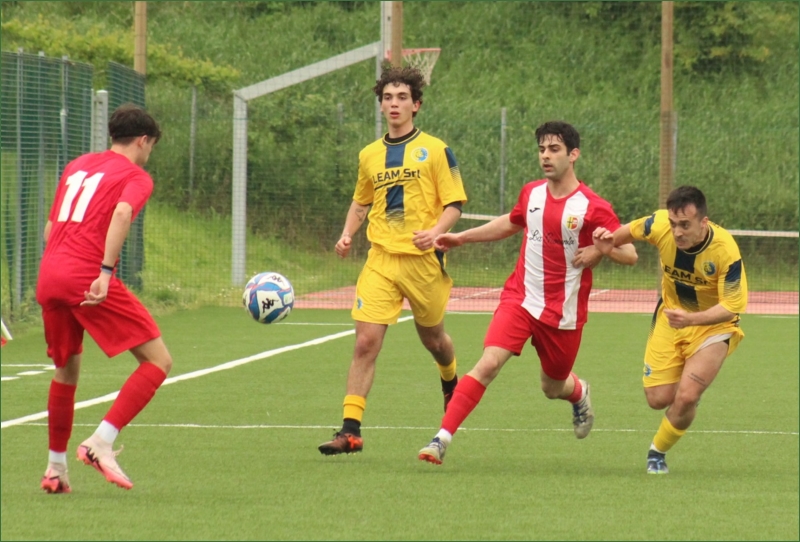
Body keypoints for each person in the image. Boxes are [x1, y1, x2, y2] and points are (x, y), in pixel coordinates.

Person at [417, 120, 638, 465]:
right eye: (541, 150)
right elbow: (511, 221)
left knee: (552, 387)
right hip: (519, 298)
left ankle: (579, 392)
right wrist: (462, 237)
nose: (545, 156)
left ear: (573, 155)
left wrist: (600, 249)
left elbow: (630, 254)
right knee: (488, 363)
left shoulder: (592, 206)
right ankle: (441, 439)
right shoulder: (532, 193)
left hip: (562, 314)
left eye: (554, 149)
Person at [318, 66, 468, 455]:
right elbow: (361, 202)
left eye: (402, 97)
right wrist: (347, 233)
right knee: (365, 342)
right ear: (381, 105)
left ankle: (450, 379)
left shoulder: (436, 150)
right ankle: (350, 430)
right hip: (381, 258)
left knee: (434, 340)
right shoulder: (369, 154)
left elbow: (454, 204)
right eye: (388, 98)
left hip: (423, 261)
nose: (394, 104)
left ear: (416, 105)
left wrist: (435, 231)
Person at [37, 104, 171, 493]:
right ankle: (101, 441)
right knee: (158, 361)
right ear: (143, 141)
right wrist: (105, 271)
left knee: (66, 370)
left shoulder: (77, 166)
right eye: (151, 146)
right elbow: (123, 212)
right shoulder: (135, 176)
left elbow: (50, 229)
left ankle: (55, 469)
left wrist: (61, 269)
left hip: (50, 273)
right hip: (84, 274)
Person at [592, 185, 747, 474]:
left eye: (685, 225)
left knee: (686, 397)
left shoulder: (726, 250)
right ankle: (688, 396)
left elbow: (732, 307)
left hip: (714, 326)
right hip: (670, 320)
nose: (677, 232)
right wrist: (605, 243)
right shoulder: (659, 223)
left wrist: (692, 319)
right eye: (674, 224)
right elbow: (626, 232)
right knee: (658, 399)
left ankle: (657, 453)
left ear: (703, 222)